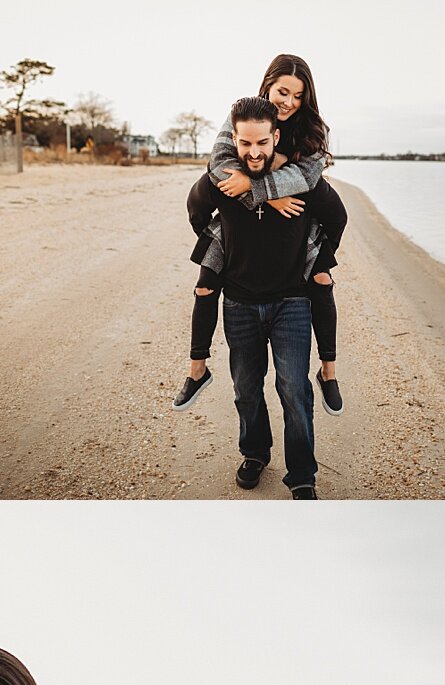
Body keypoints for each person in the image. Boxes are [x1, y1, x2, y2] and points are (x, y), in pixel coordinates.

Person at [183, 95, 347, 498]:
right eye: (245, 144)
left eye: (261, 143)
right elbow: (195, 211)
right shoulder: (224, 178)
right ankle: (255, 453)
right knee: (246, 389)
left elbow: (337, 217)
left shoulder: (300, 180)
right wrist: (221, 242)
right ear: (233, 140)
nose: (253, 152)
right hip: (239, 303)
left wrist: (317, 259)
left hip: (291, 301)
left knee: (293, 388)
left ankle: (303, 474)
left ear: (275, 136)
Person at [172, 54, 347, 419]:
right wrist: (265, 189)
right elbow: (220, 165)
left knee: (321, 276)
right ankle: (197, 369)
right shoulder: (242, 113)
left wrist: (268, 186)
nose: (288, 101)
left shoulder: (314, 129)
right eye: (283, 91)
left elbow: (309, 179)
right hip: (239, 219)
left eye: (298, 96)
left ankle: (328, 372)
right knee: (205, 282)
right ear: (268, 83)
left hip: (301, 217)